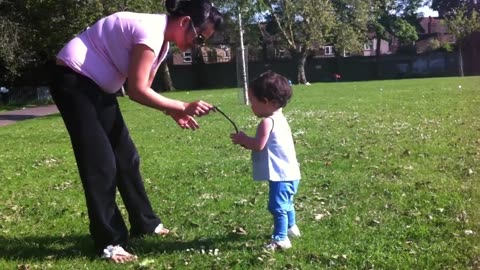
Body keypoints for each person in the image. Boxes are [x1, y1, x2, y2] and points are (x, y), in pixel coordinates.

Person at [50, 0, 223, 263]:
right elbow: (136, 90)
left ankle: (145, 223)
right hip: (73, 80)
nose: (197, 45)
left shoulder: (162, 44)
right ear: (185, 22)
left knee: (126, 157)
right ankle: (109, 242)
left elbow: (144, 92)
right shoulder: (151, 33)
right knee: (101, 163)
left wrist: (173, 111)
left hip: (97, 87)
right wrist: (182, 105)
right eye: (199, 38)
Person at [230, 71, 302, 251]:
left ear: (270, 102)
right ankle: (292, 228)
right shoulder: (280, 118)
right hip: (290, 173)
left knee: (277, 206)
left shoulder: (267, 122)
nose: (251, 105)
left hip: (281, 175)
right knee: (287, 202)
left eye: (253, 101)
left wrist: (243, 140)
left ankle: (281, 239)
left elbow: (258, 145)